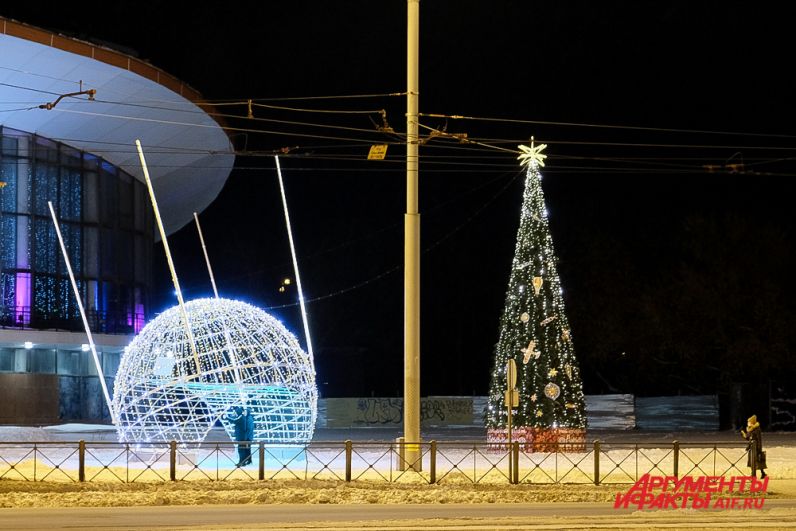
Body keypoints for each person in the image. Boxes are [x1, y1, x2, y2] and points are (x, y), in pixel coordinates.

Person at [740, 414, 767, 479]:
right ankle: (761, 473)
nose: (748, 423)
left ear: (752, 423)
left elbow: (759, 439)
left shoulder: (756, 429)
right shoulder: (750, 429)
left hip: (756, 448)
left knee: (756, 461)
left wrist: (759, 449)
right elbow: (748, 438)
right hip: (751, 447)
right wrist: (743, 434)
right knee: (754, 461)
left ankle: (755, 475)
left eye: (749, 422)